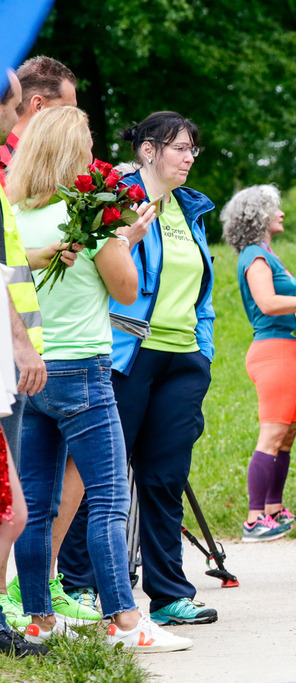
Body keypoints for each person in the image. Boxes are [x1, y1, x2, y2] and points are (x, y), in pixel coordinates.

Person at [7, 105, 190, 652]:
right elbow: (127, 291)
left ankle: (36, 617)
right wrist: (126, 238)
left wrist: (117, 242)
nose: (93, 153)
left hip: (33, 370)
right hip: (86, 369)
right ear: (70, 152)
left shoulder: (14, 216)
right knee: (108, 499)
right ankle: (127, 624)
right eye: (85, 142)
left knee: (37, 505)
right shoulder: (91, 214)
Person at [58, 111, 219, 626]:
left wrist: (204, 349)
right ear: (148, 150)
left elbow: (201, 289)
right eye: (180, 147)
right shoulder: (114, 198)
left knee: (164, 477)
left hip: (183, 359)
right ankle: (79, 586)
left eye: (194, 149)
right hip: (125, 357)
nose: (190, 157)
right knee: (99, 476)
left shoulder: (188, 209)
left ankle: (169, 595)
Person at [0, 59, 79, 624]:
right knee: (17, 505)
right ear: (35, 106)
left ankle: (23, 609)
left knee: (19, 504)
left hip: (25, 347)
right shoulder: (13, 169)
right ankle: (19, 608)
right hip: (15, 351)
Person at [222, 185, 296, 542]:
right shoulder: (255, 255)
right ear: (258, 217)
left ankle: (274, 508)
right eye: (275, 208)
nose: (282, 213)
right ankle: (254, 518)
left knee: (287, 434)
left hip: (291, 348)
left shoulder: (266, 252)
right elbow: (269, 303)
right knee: (271, 435)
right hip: (274, 350)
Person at [0, 71, 46, 659]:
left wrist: (33, 337)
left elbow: (13, 270)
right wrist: (25, 343)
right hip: (8, 360)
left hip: (10, 364)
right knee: (12, 507)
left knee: (12, 508)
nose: (17, 112)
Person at [0, 56, 77, 185]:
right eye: (66, 111)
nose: (74, 121)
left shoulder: (44, 166)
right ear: (38, 106)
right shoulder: (4, 163)